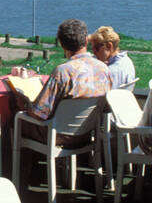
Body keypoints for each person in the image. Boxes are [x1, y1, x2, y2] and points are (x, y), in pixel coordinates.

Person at [12, 19, 110, 147]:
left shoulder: (63, 72)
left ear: (62, 45)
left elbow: (39, 114)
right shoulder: (103, 68)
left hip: (58, 136)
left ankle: (24, 166)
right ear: (86, 40)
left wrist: (25, 102)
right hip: (87, 134)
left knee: (16, 115)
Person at [88, 25, 136, 90]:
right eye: (92, 49)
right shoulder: (127, 61)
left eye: (96, 48)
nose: (94, 52)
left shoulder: (110, 72)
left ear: (109, 46)